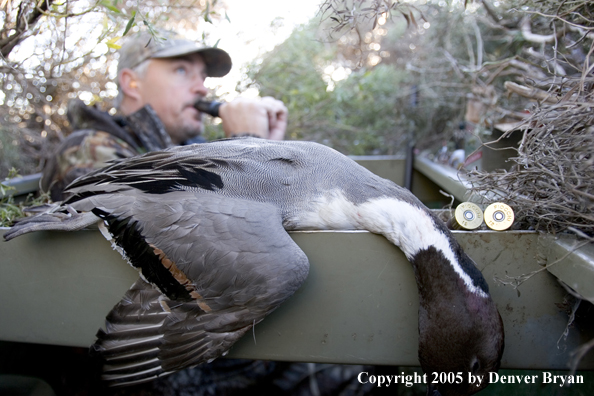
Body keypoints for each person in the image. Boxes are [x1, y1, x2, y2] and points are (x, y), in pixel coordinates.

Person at [41, 29, 288, 201]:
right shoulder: (88, 150)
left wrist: (267, 150)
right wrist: (246, 144)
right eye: (181, 70)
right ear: (131, 83)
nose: (202, 87)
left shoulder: (189, 149)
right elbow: (185, 242)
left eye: (202, 76)